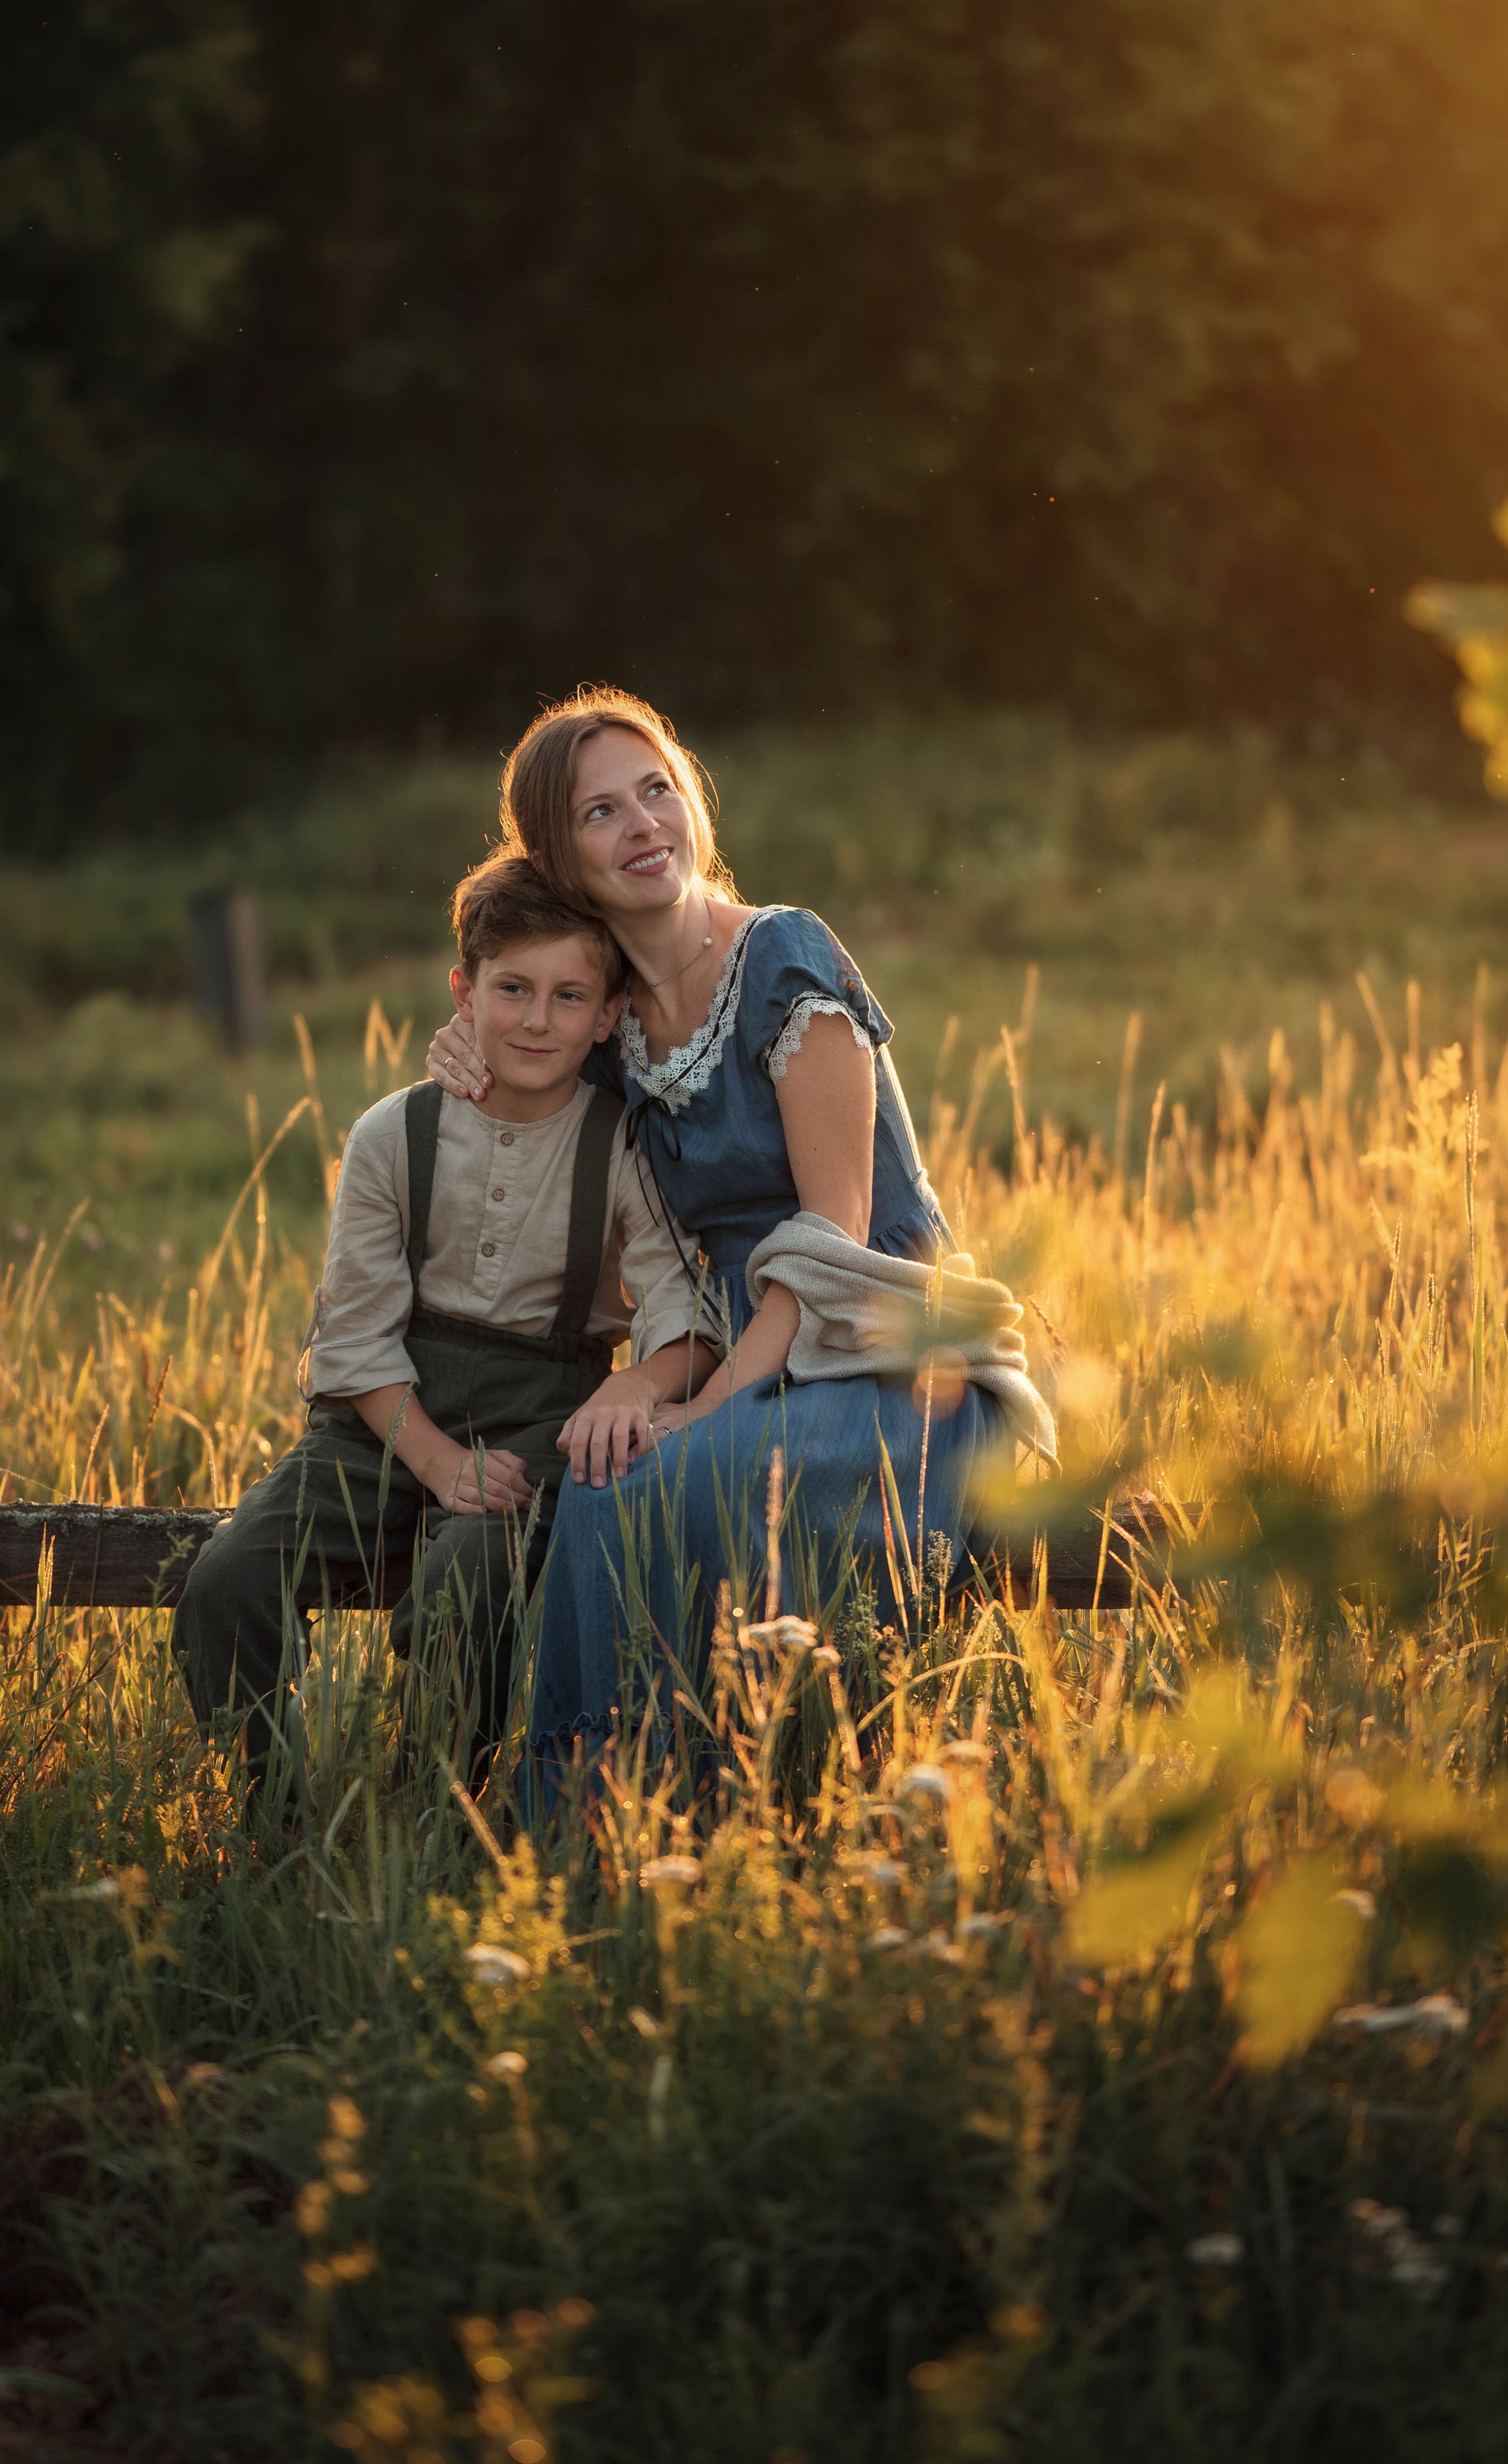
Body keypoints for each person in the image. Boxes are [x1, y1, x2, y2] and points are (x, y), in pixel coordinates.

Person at [426, 686, 1057, 1781]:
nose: (645, 825)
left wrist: (701, 1408)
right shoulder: (609, 1020)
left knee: (678, 1478)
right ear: (557, 858)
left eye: (657, 789)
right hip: (748, 1366)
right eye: (601, 813)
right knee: (600, 1478)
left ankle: (712, 1790)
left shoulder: (784, 961)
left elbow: (830, 1240)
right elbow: (520, 1073)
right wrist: (466, 1052)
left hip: (891, 1363)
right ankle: (591, 1803)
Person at [174, 855, 711, 1801]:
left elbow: (681, 1317)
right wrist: (431, 1461)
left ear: (607, 1014)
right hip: (384, 1418)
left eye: (568, 995)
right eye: (512, 989)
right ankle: (270, 1809)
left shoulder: (624, 1141)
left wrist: (634, 1386)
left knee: (464, 1579)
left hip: (545, 1420)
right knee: (227, 1578)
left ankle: (435, 1806)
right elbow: (353, 1342)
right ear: (463, 993)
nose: (537, 1020)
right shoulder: (392, 1134)